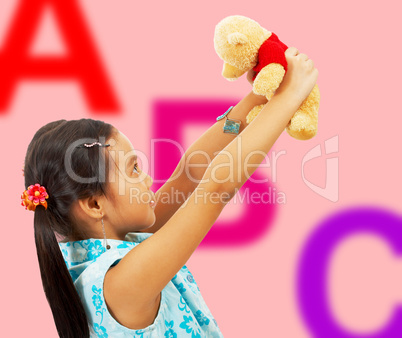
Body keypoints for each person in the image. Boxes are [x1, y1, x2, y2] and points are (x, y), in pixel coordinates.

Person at [21, 46, 318, 337]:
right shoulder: (120, 283)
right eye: (133, 169)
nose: (147, 179)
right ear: (96, 204)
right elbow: (217, 187)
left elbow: (188, 173)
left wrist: (257, 99)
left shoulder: (115, 240)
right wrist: (288, 98)